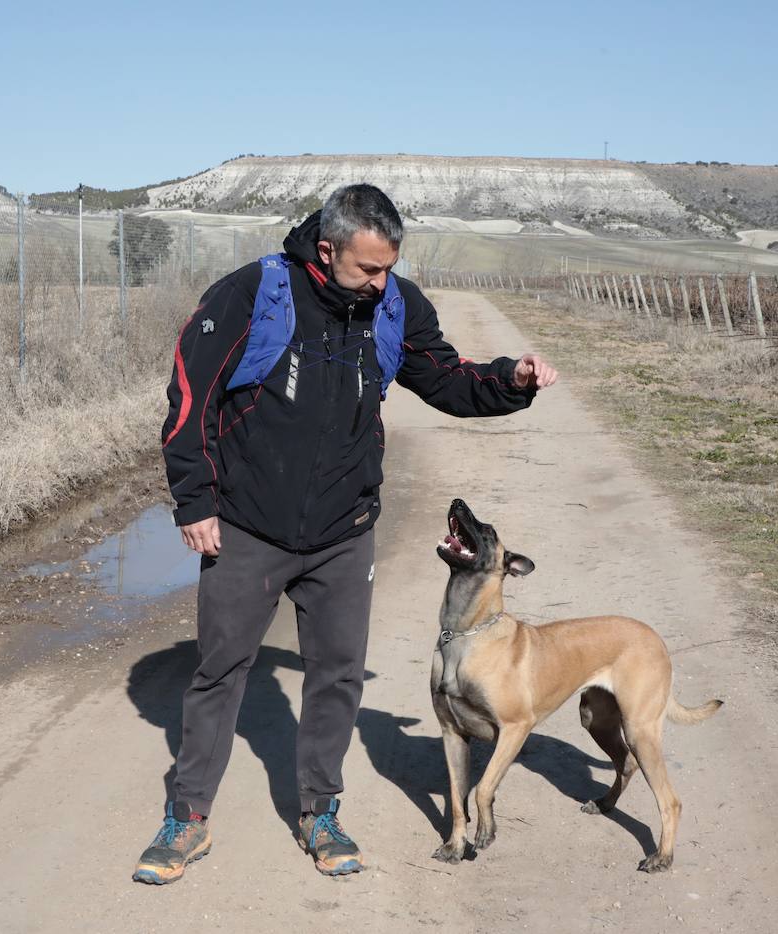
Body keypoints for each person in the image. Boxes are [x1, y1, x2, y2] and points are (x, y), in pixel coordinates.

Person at [134, 184, 557, 884]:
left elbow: (446, 380)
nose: (380, 281)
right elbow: (192, 394)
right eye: (367, 268)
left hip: (344, 529)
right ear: (326, 250)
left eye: (389, 266)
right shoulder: (254, 294)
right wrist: (195, 501)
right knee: (219, 673)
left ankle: (319, 811)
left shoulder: (394, 306)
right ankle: (188, 818)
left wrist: (510, 379)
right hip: (247, 525)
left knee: (335, 677)